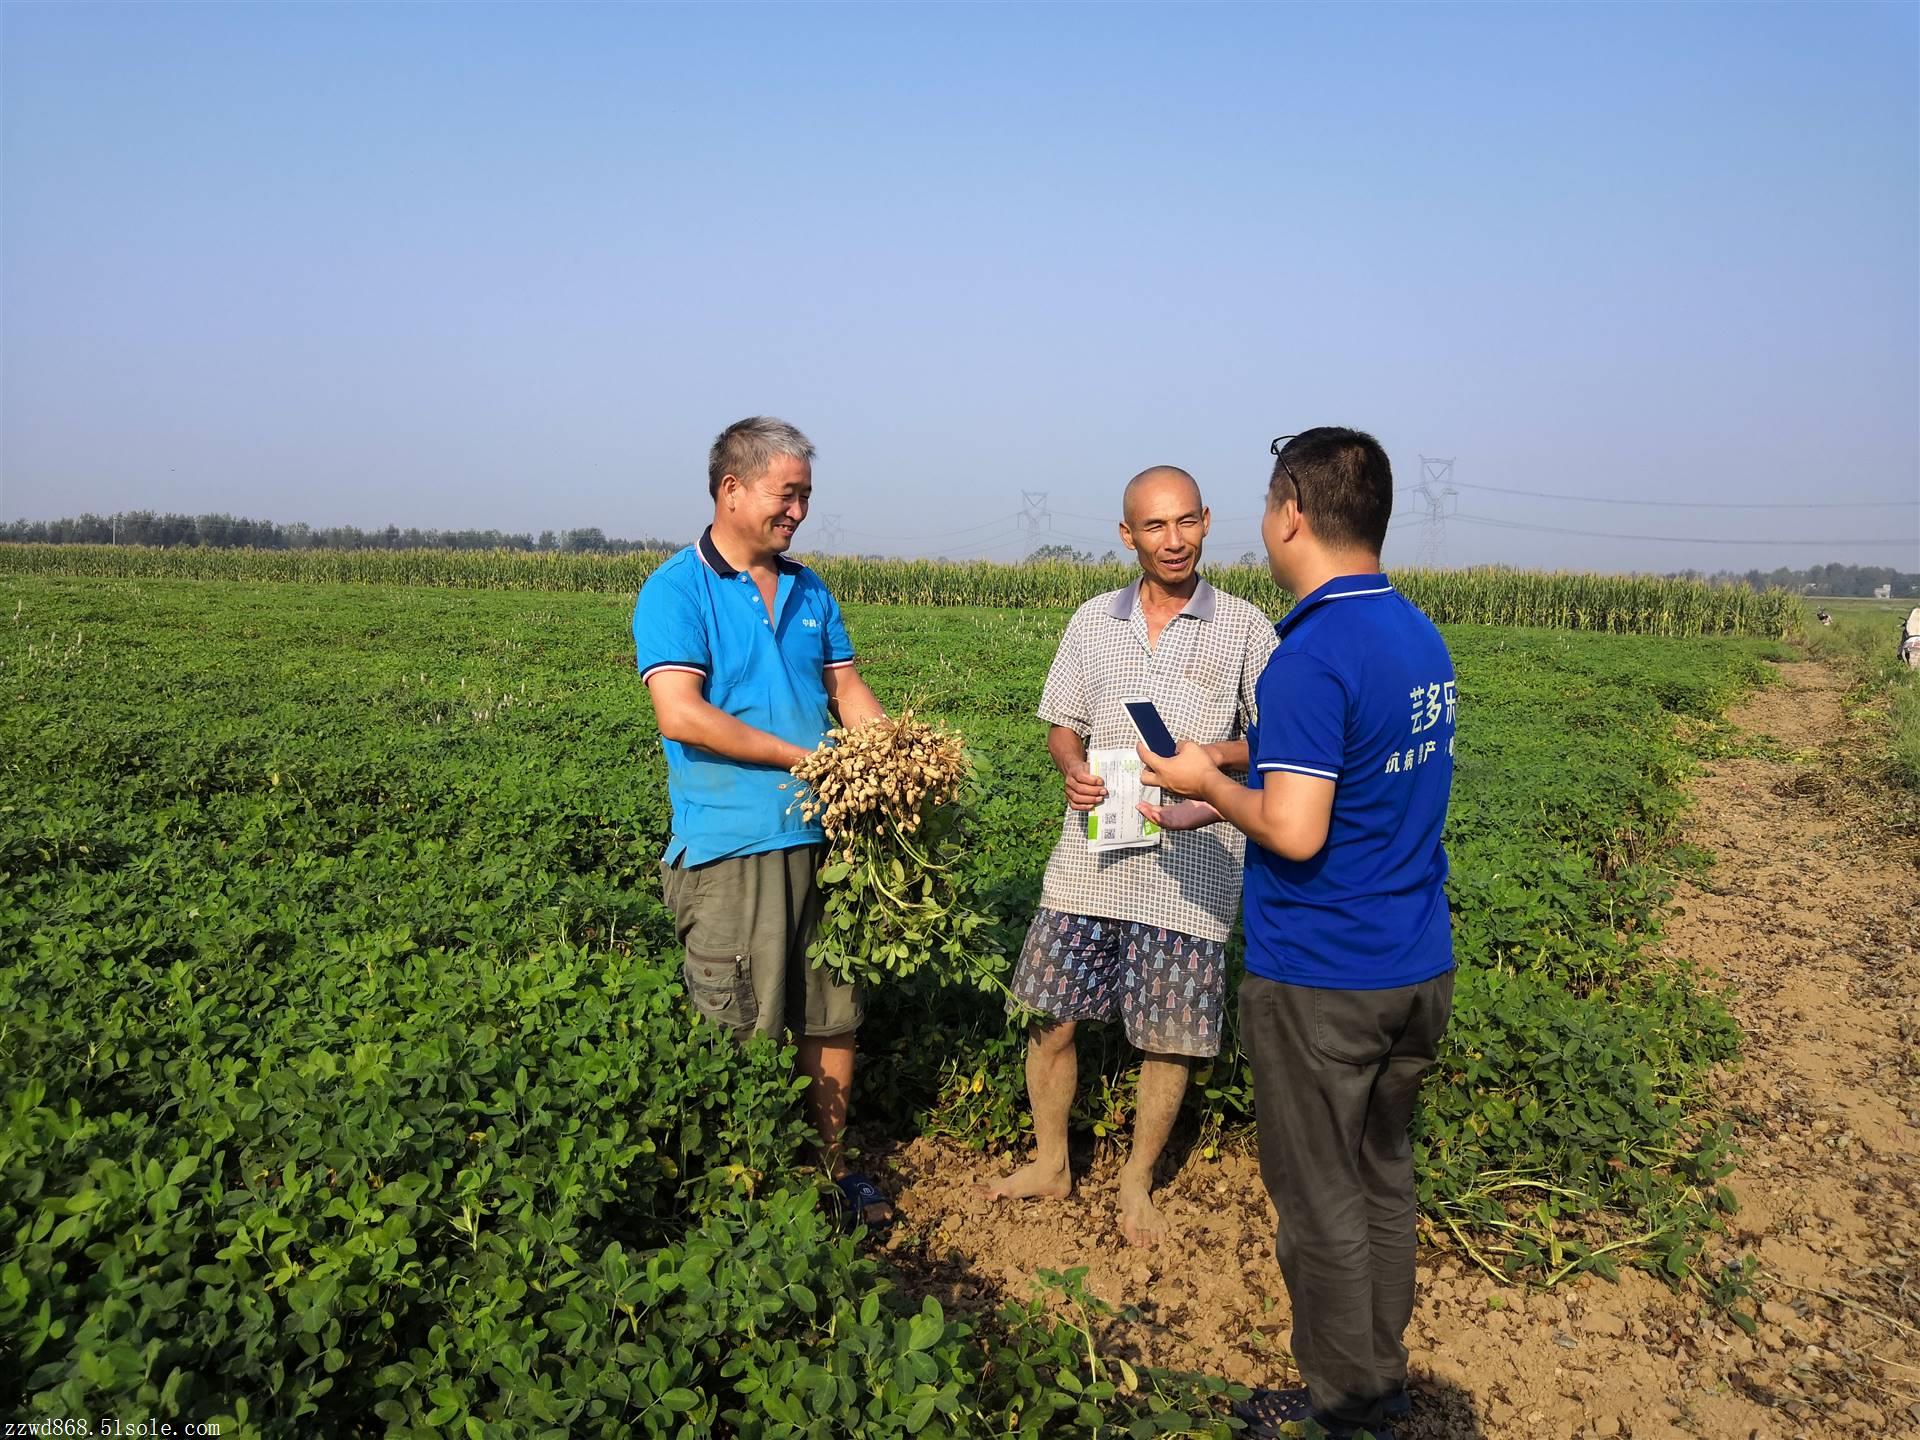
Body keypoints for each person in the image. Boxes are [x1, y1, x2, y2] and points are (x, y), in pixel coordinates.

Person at [1140, 429, 1457, 1440]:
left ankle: (1346, 1410)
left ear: (1291, 514)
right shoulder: (1414, 634)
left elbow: (1297, 828)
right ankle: (1380, 1380)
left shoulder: (1311, 652)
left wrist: (1202, 778)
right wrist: (1223, 788)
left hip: (1325, 977)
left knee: (1320, 1204)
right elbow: (1338, 775)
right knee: (1382, 1182)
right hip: (1415, 964)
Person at [982, 466, 1278, 1246]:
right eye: (1154, 526)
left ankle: (1136, 1181)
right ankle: (1052, 1162)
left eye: (1185, 522)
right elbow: (1063, 720)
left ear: (1206, 521)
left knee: (1170, 1034)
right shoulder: (1092, 621)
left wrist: (1210, 759)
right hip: (1092, 858)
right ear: (1127, 535)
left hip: (1195, 865)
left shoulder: (1246, 627)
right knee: (1050, 1013)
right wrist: (1071, 766)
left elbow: (1282, 740)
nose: (1173, 540)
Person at [632, 416, 893, 1229]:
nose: (799, 513)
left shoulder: (811, 590)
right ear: (732, 489)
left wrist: (890, 754)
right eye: (788, 495)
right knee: (741, 1025)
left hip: (826, 841)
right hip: (732, 846)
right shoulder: (678, 589)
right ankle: (742, 1197)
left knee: (831, 1013)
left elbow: (846, 689)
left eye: (806, 496)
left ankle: (831, 1173)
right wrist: (803, 760)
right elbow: (682, 714)